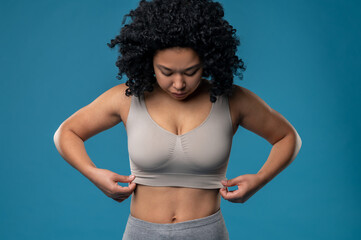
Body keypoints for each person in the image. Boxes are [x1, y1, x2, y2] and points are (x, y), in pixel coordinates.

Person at [53, 0, 302, 239]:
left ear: (208, 60)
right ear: (148, 60)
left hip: (207, 233)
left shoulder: (232, 100)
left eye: (191, 71)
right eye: (166, 72)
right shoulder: (127, 98)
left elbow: (287, 137)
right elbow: (67, 132)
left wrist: (259, 180)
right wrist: (94, 174)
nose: (179, 84)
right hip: (142, 234)